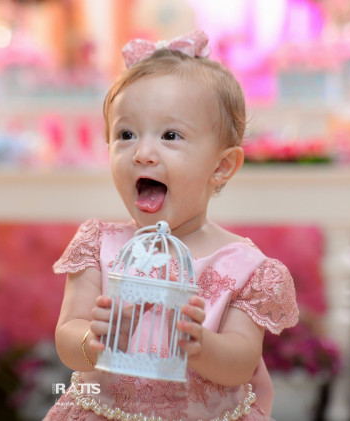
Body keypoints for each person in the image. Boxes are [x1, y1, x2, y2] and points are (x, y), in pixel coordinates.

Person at [43, 30, 299, 421]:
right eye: (126, 134)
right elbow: (67, 336)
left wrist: (201, 346)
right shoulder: (99, 245)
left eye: (170, 135)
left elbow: (242, 361)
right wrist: (92, 339)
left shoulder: (244, 267)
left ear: (222, 165)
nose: (143, 153)